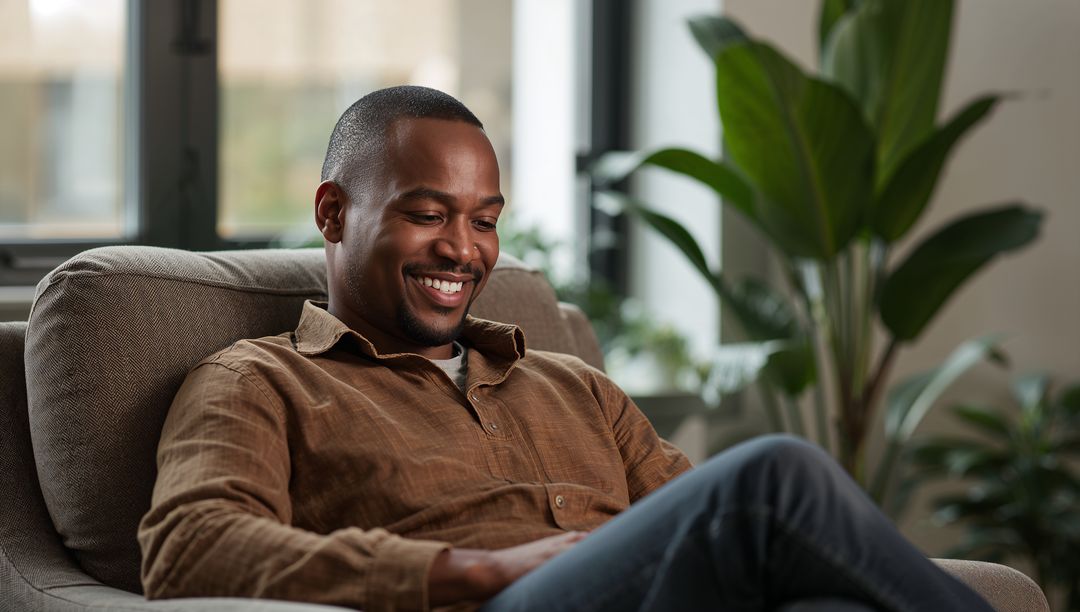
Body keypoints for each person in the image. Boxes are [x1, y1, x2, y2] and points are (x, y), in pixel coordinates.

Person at [138, 86, 992, 612]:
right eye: (427, 214)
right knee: (774, 475)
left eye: (484, 221)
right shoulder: (260, 381)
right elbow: (189, 547)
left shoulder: (574, 387)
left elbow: (703, 524)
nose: (463, 250)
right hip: (488, 605)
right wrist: (470, 570)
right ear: (333, 214)